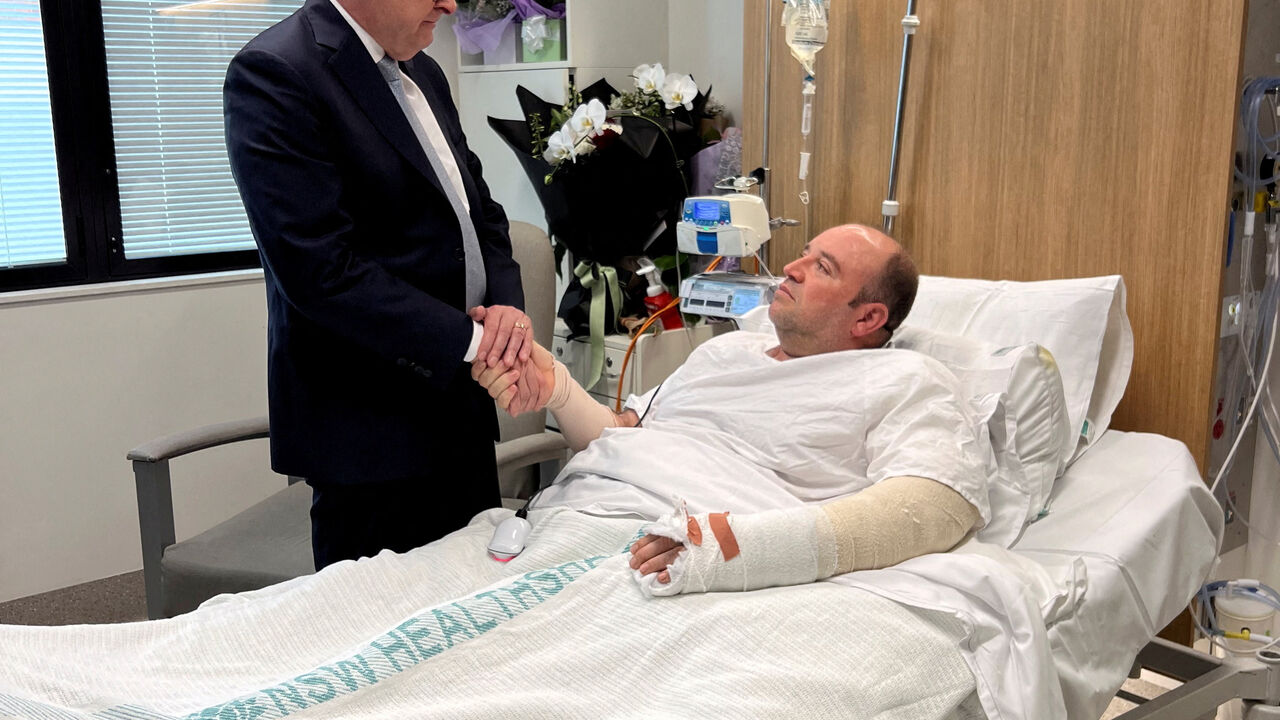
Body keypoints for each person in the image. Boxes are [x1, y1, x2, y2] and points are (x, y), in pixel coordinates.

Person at [473, 224, 993, 595]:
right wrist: (559, 389)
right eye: (805, 254)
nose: (791, 267)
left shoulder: (906, 380)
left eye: (822, 268)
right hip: (567, 520)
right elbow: (622, 433)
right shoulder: (726, 351)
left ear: (868, 318)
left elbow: (930, 509)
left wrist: (731, 548)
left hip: (677, 556)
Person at [224, 0, 542, 570]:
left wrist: (507, 312)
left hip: (460, 409)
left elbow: (480, 216)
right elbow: (320, 271)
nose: (450, 4)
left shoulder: (421, 69)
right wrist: (476, 345)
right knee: (380, 642)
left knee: (475, 613)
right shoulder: (278, 72)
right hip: (371, 431)